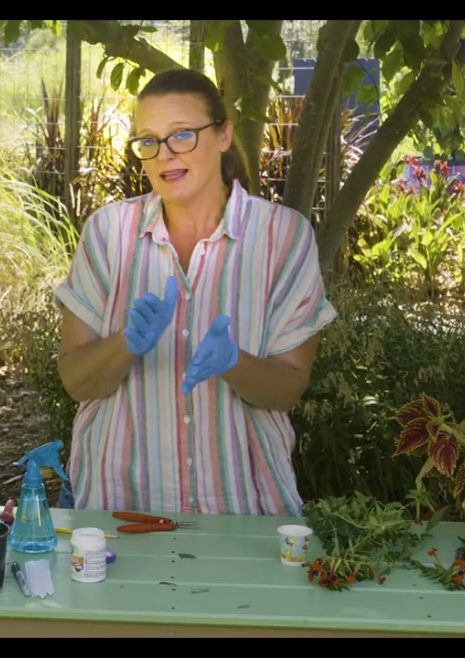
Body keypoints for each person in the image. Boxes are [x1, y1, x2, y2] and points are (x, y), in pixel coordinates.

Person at [53, 67, 337, 516]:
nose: (164, 154)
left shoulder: (283, 236)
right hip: (116, 510)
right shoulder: (107, 233)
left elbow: (286, 391)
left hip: (245, 513)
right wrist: (124, 344)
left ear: (223, 135)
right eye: (148, 141)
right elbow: (76, 381)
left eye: (182, 135)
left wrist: (233, 363)